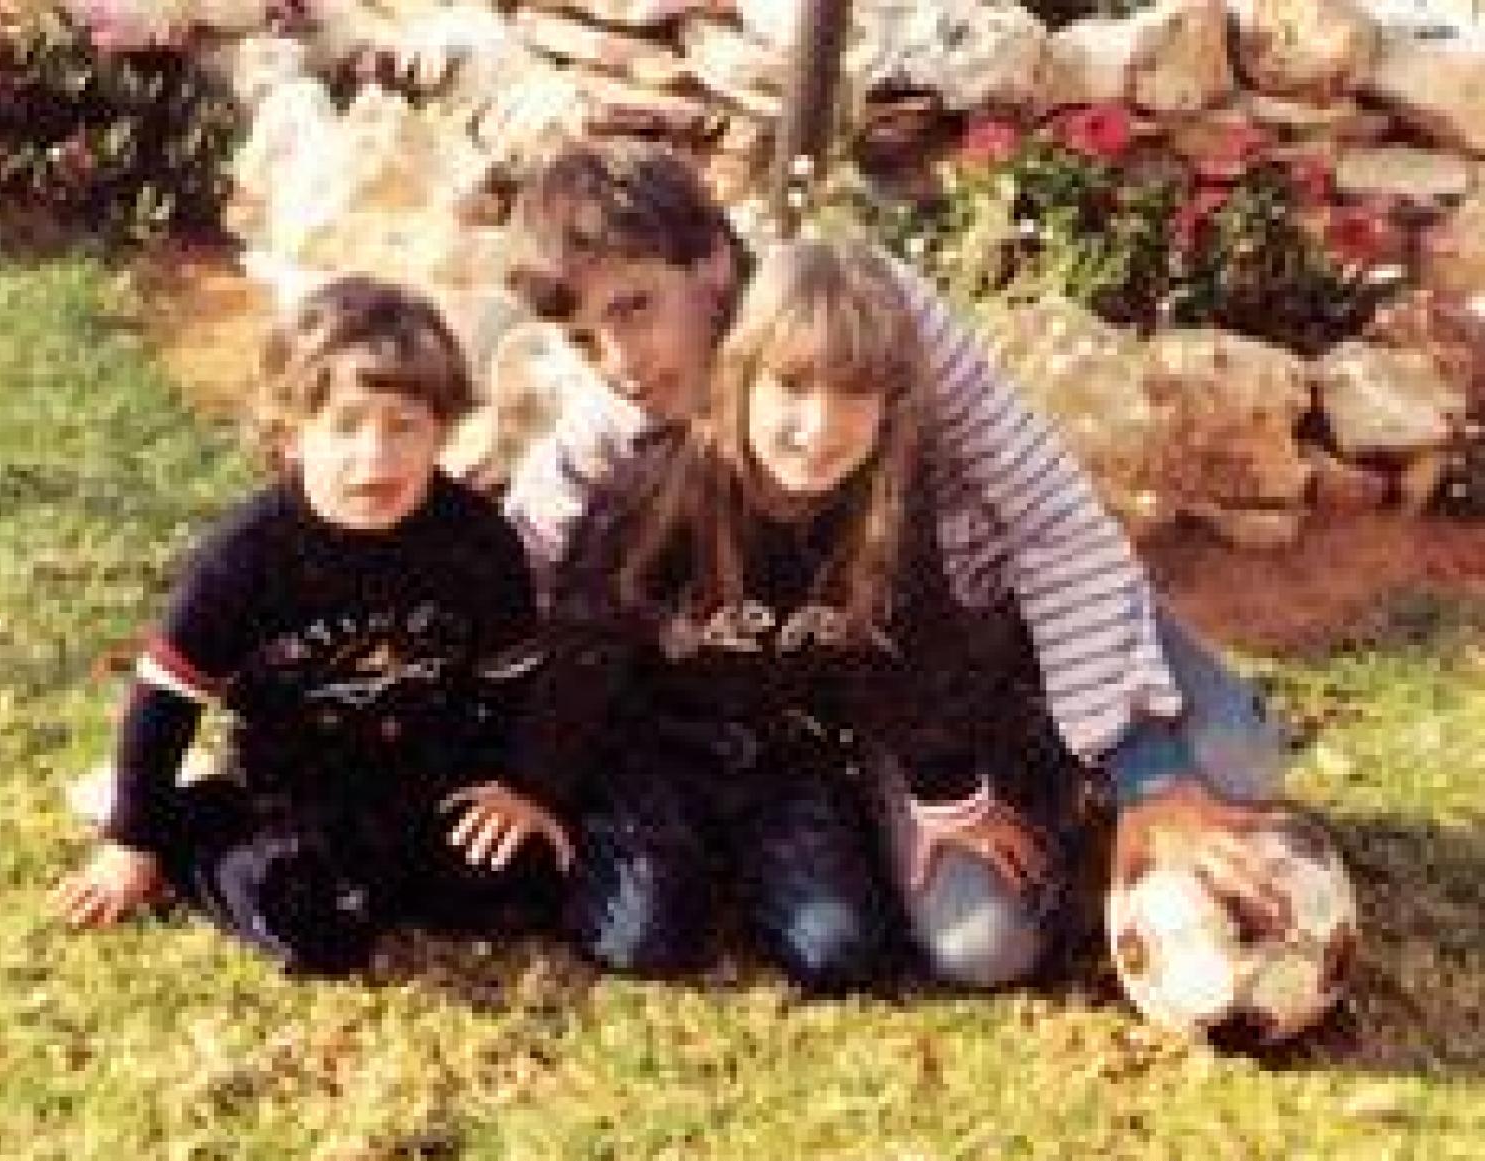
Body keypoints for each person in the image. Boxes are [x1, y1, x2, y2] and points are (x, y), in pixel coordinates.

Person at [501, 139, 1295, 989]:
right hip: (906, 676)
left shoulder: (872, 311)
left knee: (1235, 759)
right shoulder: (631, 407)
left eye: (634, 307)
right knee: (982, 947)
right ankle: (1066, 810)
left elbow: (1051, 516)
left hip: (1010, 610)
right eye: (586, 337)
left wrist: (1146, 767)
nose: (619, 362)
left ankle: (1107, 768)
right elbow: (530, 552)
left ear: (714, 266)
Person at [505, 239, 1076, 993]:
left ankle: (757, 873)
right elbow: (586, 644)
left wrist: (950, 798)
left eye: (854, 394)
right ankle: (675, 868)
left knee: (840, 953)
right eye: (792, 386)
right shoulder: (656, 490)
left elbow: (920, 649)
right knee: (640, 940)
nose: (820, 425)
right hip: (658, 753)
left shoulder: (887, 510)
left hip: (787, 760)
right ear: (738, 380)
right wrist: (536, 781)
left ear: (888, 407)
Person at [52, 277, 571, 976]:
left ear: (444, 430)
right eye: (346, 425)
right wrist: (130, 843)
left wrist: (516, 784)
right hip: (289, 793)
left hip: (427, 781)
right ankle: (190, 825)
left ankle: (384, 883)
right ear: (292, 432)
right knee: (312, 924)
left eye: (404, 426)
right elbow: (166, 698)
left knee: (528, 881)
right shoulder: (246, 556)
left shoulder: (477, 542)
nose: (375, 457)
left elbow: (517, 683)